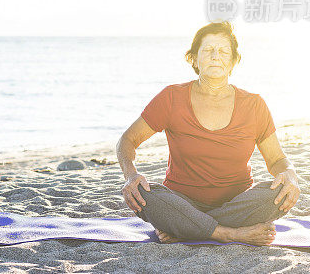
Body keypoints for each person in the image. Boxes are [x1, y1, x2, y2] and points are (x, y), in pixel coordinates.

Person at [115, 20, 300, 245]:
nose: (215, 56)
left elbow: (277, 159)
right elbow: (127, 140)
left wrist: (290, 173)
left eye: (223, 51)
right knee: (146, 195)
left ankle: (186, 228)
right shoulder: (171, 97)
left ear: (233, 62)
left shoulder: (254, 105)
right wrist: (131, 175)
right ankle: (230, 233)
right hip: (180, 202)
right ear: (194, 58)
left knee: (280, 191)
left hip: (238, 203)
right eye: (208, 50)